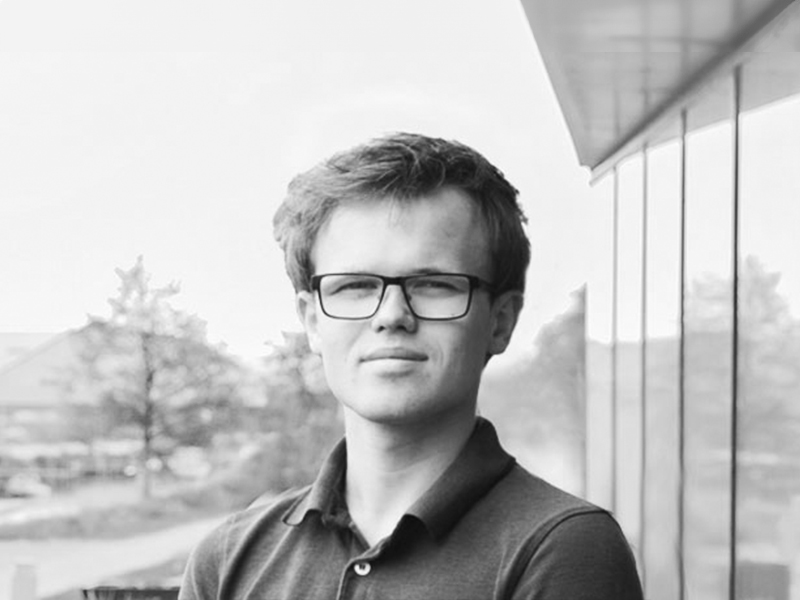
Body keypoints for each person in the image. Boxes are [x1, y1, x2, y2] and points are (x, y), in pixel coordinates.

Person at [179, 133, 644, 599]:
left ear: (500, 322)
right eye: (355, 286)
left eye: (434, 284)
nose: (391, 316)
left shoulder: (565, 550)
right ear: (313, 321)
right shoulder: (227, 560)